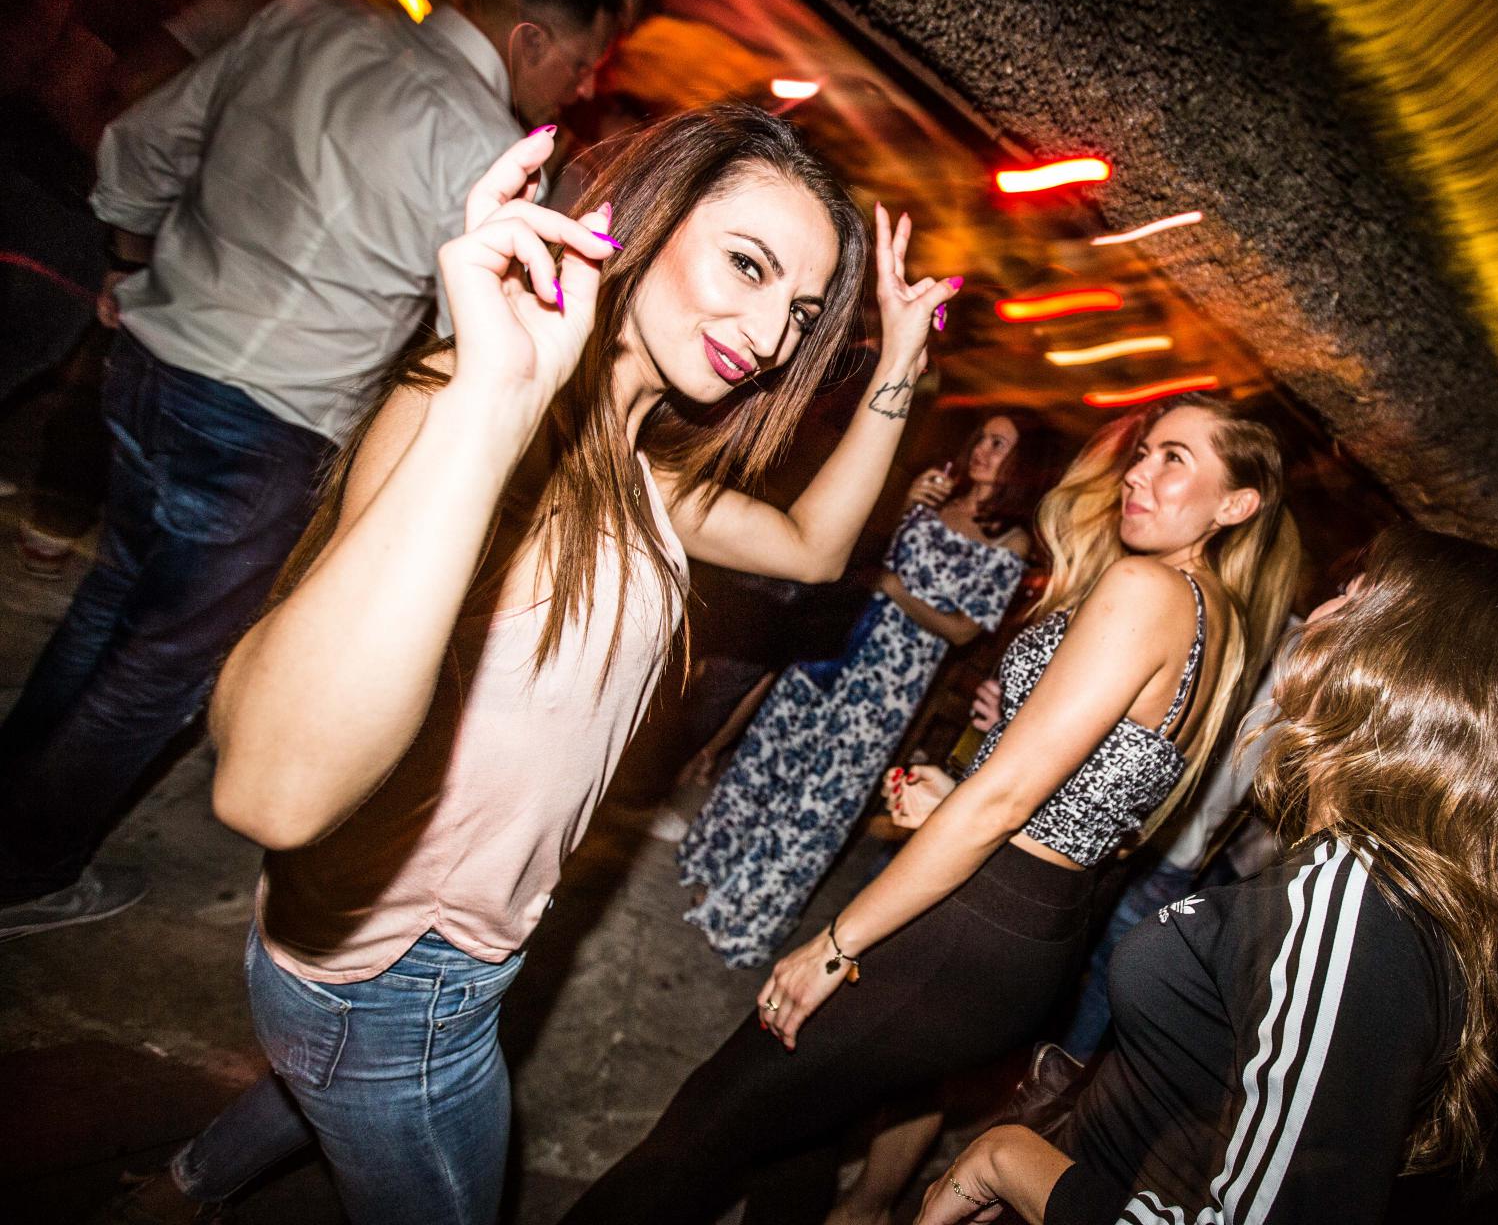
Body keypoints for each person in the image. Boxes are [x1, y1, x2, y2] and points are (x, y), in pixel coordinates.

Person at [116, 103, 961, 1225]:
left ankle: (181, 1188)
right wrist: (493, 400)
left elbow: (815, 546)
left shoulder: (642, 470)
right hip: (396, 974)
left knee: (316, 1086)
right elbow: (270, 789)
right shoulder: (471, 405)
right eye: (748, 265)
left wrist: (898, 357)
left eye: (801, 315)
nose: (768, 337)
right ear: (647, 223)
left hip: (452, 957)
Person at [0, 0, 628, 939]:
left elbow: (142, 144)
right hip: (269, 427)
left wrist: (125, 260)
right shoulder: (490, 153)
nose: (583, 87)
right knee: (158, 668)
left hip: (154, 363)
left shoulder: (306, 21)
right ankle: (24, 870)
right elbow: (468, 348)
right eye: (582, 63)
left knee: (110, 598)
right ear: (529, 39)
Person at [562, 391, 1304, 1224]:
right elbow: (1103, 804)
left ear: (1236, 505)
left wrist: (835, 944)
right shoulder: (1217, 619)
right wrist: (961, 793)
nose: (1139, 473)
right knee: (799, 1132)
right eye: (1145, 451)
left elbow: (1007, 801)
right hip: (1030, 926)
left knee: (705, 1125)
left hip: (970, 923)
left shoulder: (1146, 589)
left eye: (1176, 459)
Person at [915, 524, 1498, 1225]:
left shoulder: (1353, 902)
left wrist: (1007, 1160)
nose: (1320, 613)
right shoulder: (1369, 883)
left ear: (1407, 665)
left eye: (1353, 596)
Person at [678, 409, 1053, 968]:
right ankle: (713, 866)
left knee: (819, 798)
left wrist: (895, 589)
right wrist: (902, 507)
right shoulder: (936, 496)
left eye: (1000, 444)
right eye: (983, 437)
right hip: (836, 644)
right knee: (768, 756)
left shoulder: (1013, 542)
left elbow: (963, 630)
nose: (983, 448)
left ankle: (744, 916)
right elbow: (860, 553)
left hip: (888, 683)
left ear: (1022, 464)